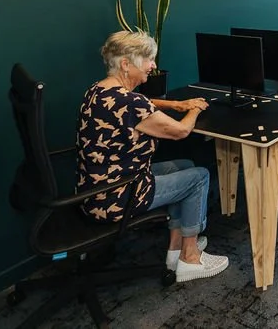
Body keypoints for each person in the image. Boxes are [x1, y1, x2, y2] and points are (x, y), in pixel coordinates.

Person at [76, 30, 229, 282]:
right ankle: (190, 258)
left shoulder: (96, 91)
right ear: (126, 64)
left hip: (94, 190)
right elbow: (180, 132)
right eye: (148, 59)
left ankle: (175, 249)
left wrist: (176, 105)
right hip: (118, 196)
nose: (153, 65)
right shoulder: (132, 103)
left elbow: (139, 102)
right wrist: (194, 109)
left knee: (184, 165)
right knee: (199, 176)